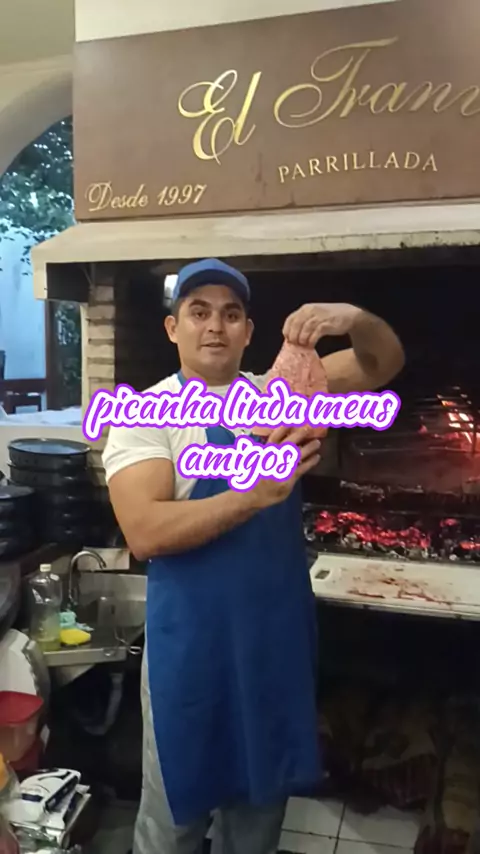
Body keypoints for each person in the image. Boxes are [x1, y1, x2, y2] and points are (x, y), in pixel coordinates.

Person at [102, 258, 405, 854]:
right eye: (199, 312)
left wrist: (354, 319)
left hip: (272, 646)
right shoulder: (144, 415)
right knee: (172, 828)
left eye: (231, 314)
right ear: (173, 329)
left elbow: (383, 362)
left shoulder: (280, 394)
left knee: (258, 824)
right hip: (191, 654)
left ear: (248, 331)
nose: (216, 326)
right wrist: (255, 494)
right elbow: (145, 531)